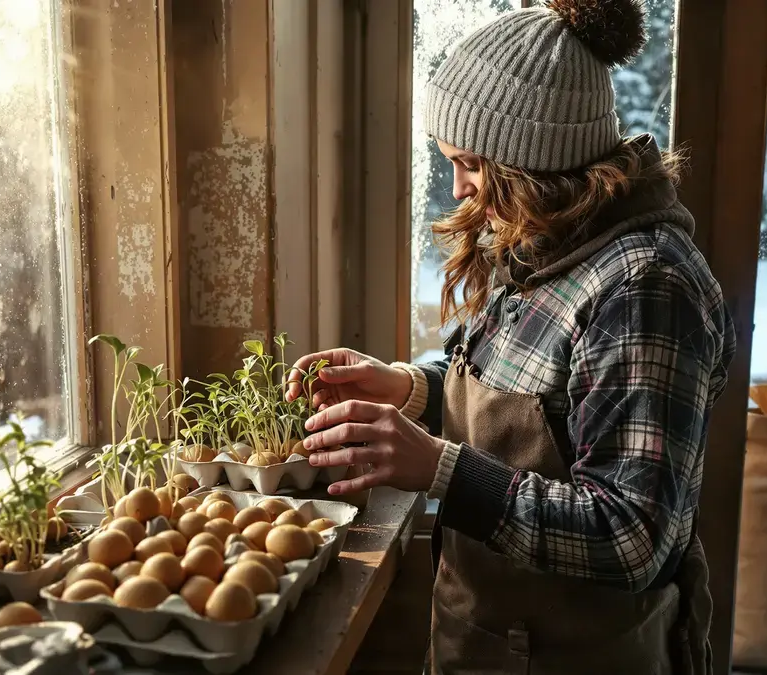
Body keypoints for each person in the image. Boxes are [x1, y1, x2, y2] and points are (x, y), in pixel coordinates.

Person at [286, 1, 736, 673]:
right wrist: (408, 390)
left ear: (532, 159)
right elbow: (532, 407)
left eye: (470, 162)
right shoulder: (547, 238)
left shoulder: (645, 289)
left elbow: (633, 537)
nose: (458, 189)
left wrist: (441, 469)